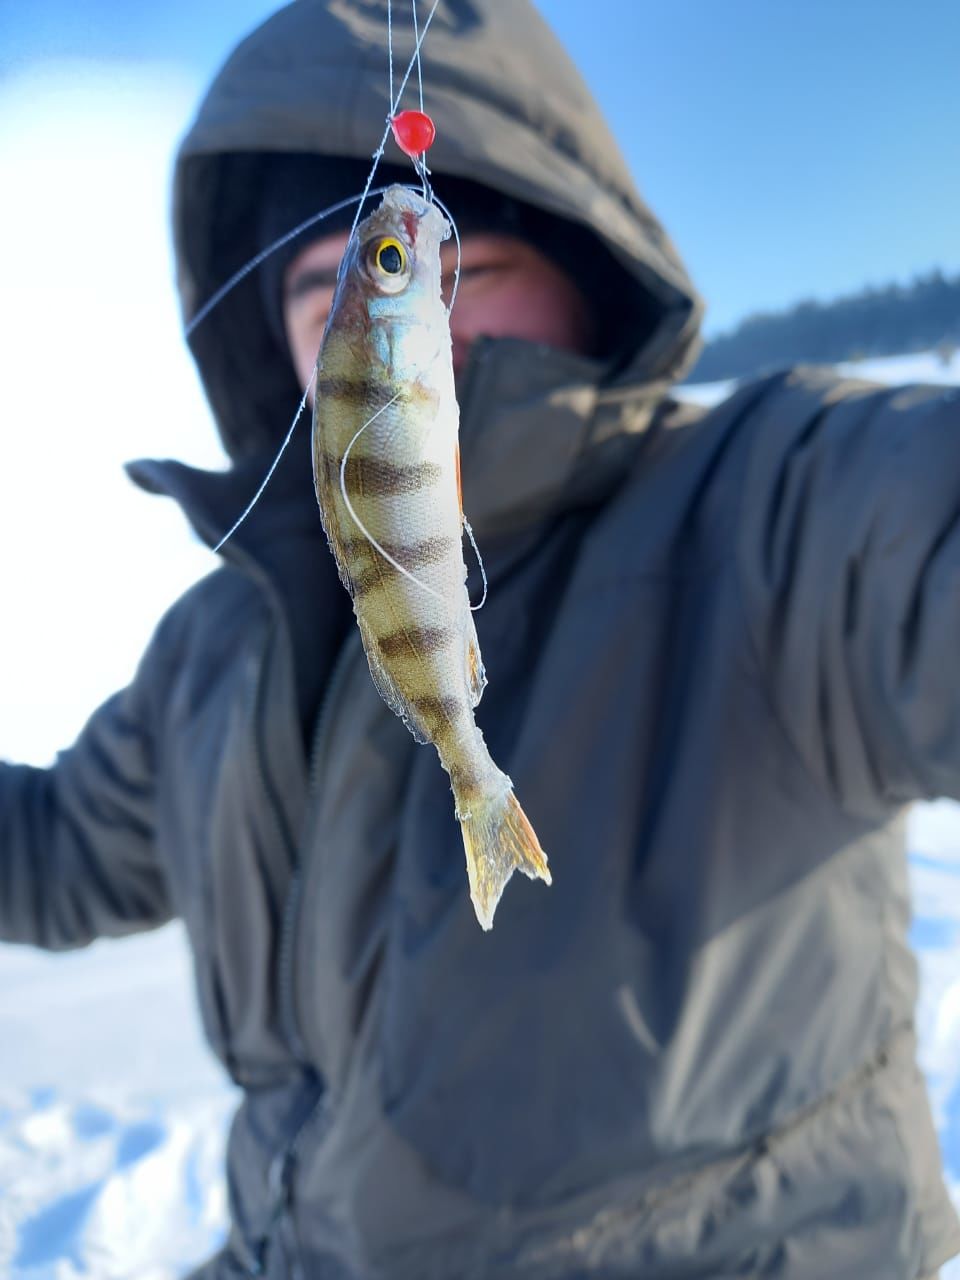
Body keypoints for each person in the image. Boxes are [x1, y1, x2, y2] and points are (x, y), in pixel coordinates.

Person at [2, 2, 958, 1277]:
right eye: (319, 287)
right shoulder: (215, 646)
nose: (419, 299)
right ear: (283, 344)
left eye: (472, 265)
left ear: (586, 267)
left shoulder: (766, 515)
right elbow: (56, 849)